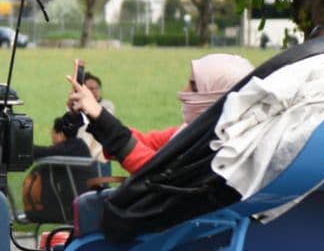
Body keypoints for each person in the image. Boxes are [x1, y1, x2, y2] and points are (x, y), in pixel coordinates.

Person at [67, 53, 253, 173]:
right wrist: (93, 115)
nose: (183, 93)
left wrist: (100, 115)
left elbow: (155, 169)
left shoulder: (216, 149)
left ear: (221, 99)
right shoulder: (192, 132)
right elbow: (145, 142)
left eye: (195, 86)